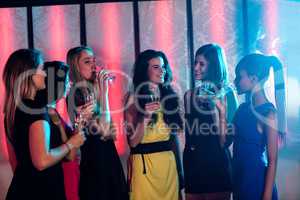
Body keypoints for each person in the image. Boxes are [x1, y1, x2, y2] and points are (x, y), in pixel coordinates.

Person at [3, 50, 85, 200]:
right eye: (41, 69)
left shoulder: (19, 109)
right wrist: (71, 143)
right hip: (41, 190)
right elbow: (41, 161)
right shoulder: (36, 111)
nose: (45, 74)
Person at [66, 46, 128, 200]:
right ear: (76, 67)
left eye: (94, 61)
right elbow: (104, 129)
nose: (94, 65)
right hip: (95, 163)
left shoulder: (92, 91)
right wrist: (104, 92)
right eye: (87, 62)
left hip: (107, 157)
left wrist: (100, 92)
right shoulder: (76, 94)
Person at [124, 49, 184, 200]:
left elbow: (174, 138)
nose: (162, 70)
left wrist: (180, 169)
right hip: (144, 167)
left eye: (163, 66)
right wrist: (146, 117)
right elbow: (133, 142)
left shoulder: (170, 97)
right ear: (145, 70)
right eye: (156, 67)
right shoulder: (133, 98)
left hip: (168, 166)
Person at [183, 44, 238, 200]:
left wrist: (216, 111)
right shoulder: (188, 95)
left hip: (216, 165)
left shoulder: (227, 94)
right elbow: (190, 139)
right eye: (195, 63)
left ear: (213, 66)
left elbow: (224, 142)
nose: (196, 68)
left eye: (201, 64)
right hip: (193, 166)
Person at [233, 54, 286, 200]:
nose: (235, 81)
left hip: (256, 182)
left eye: (239, 77)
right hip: (239, 180)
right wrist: (220, 111)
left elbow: (273, 159)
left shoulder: (268, 113)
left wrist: (267, 196)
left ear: (254, 79)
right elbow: (226, 142)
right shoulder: (242, 109)